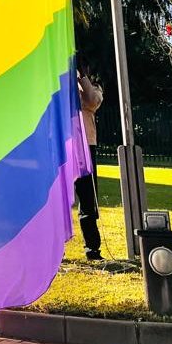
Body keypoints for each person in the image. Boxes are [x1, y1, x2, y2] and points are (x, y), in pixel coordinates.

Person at [75, 59, 104, 261]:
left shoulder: (94, 88)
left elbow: (92, 101)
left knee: (87, 198)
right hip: (62, 145)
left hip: (85, 146)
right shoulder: (64, 82)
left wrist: (82, 77)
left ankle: (92, 248)